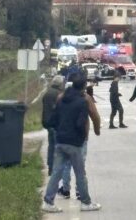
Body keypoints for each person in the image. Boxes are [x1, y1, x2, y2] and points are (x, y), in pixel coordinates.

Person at [42, 74, 101, 213]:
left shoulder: (61, 98)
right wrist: (94, 132)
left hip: (60, 140)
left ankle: (48, 202)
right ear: (83, 86)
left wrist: (59, 130)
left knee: (57, 172)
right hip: (75, 143)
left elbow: (53, 119)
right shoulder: (84, 100)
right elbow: (90, 119)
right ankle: (85, 202)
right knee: (80, 173)